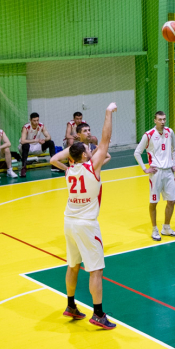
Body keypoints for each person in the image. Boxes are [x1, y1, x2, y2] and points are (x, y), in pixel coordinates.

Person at [50, 102, 118, 330]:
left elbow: (54, 159)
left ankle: (71, 305)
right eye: (88, 151)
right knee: (96, 270)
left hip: (69, 222)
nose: (91, 151)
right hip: (86, 225)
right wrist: (108, 112)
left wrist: (76, 150)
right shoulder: (91, 168)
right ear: (83, 155)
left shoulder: (69, 170)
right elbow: (105, 139)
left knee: (72, 265)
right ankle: (98, 314)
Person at [134, 111, 175, 241]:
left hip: (169, 172)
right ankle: (154, 229)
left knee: (172, 201)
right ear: (155, 120)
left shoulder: (170, 132)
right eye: (160, 119)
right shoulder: (148, 135)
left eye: (164, 119)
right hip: (156, 173)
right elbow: (137, 152)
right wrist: (145, 169)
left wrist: (174, 164)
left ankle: (166, 227)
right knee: (154, 202)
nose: (162, 122)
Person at [19, 112, 57, 177]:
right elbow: (22, 141)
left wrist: (43, 140)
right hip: (27, 147)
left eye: (37, 120)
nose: (36, 122)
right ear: (30, 120)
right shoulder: (26, 127)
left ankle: (54, 164)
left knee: (51, 142)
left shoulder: (41, 125)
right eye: (34, 121)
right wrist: (35, 140)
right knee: (25, 145)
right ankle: (23, 168)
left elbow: (49, 137)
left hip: (37, 146)